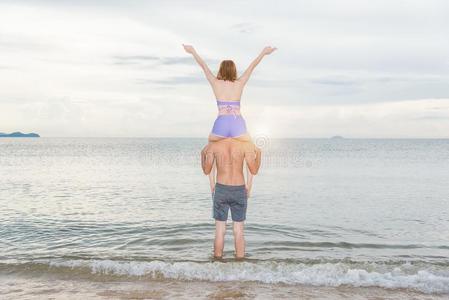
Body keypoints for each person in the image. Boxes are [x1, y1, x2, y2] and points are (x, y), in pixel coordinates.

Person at [183, 44, 276, 198]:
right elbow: (252, 66)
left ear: (220, 70)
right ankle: (249, 186)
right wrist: (263, 53)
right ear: (234, 70)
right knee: (249, 148)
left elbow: (203, 66)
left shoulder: (215, 83)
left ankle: (212, 186)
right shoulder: (239, 83)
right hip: (237, 123)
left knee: (211, 147)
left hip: (221, 124)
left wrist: (192, 51)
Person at [201, 138, 261, 259]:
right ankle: (240, 265)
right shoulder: (245, 144)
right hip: (239, 188)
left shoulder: (214, 145)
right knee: (238, 231)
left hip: (221, 188)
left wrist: (202, 154)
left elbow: (207, 170)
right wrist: (259, 153)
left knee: (219, 231)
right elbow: (253, 170)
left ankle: (217, 263)